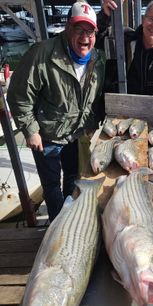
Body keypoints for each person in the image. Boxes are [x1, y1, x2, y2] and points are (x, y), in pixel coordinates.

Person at [7, 1, 105, 222]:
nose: (84, 37)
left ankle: (69, 220)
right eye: (79, 29)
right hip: (47, 135)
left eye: (89, 31)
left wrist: (92, 124)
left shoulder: (97, 59)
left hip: (76, 134)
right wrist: (31, 130)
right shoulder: (42, 53)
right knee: (51, 185)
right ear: (68, 27)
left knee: (72, 177)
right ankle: (56, 225)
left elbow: (95, 98)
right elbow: (18, 94)